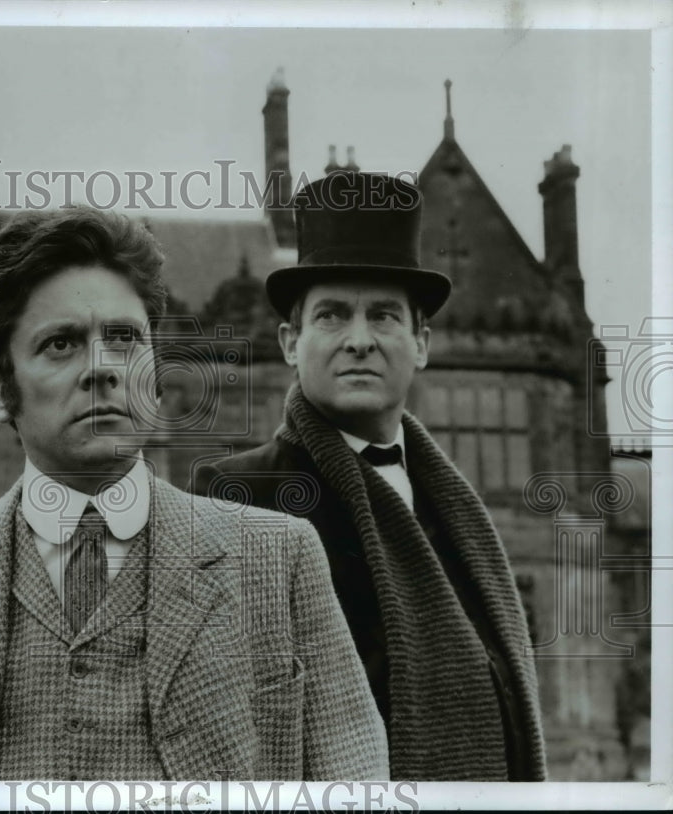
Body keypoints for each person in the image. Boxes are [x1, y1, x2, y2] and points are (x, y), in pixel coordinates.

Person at [0, 206, 389, 781]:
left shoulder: (281, 556)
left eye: (124, 338)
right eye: (61, 344)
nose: (103, 369)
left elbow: (358, 786)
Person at [190, 172, 547, 781]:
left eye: (383, 316)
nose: (360, 340)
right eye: (332, 316)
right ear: (289, 343)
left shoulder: (461, 511)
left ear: (422, 343)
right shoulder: (234, 496)